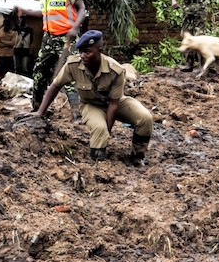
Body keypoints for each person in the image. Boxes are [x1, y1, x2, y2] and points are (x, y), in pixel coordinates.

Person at [29, 30, 153, 165]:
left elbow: (114, 103)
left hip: (115, 102)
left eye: (87, 51)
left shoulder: (115, 70)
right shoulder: (73, 65)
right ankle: (98, 163)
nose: (83, 55)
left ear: (99, 50)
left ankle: (137, 156)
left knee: (145, 118)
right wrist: (40, 112)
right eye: (81, 51)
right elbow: (55, 86)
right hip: (91, 105)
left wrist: (108, 130)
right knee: (100, 129)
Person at [14, 0, 87, 110]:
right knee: (39, 72)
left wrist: (75, 27)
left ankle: (77, 114)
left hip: (68, 38)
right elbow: (46, 13)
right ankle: (37, 109)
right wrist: (24, 11)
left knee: (70, 76)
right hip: (49, 38)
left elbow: (81, 8)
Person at [0, 15, 17, 80]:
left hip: (9, 55)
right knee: (0, 71)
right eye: (5, 25)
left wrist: (3, 41)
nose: (6, 27)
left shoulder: (13, 33)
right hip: (1, 55)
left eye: (8, 25)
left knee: (10, 71)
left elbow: (13, 43)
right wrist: (8, 43)